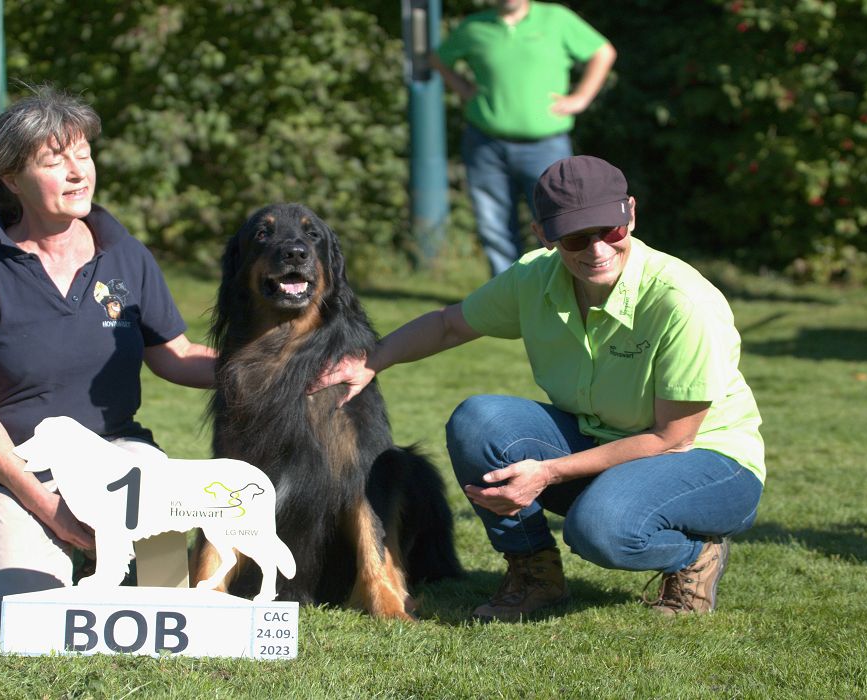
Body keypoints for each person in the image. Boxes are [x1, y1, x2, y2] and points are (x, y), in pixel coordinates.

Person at [315, 156, 765, 620]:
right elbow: (450, 325)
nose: (597, 249)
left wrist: (548, 472)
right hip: (605, 437)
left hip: (708, 461)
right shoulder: (535, 277)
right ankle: (534, 576)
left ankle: (693, 555)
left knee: (602, 531)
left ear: (630, 212)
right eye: (575, 237)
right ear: (543, 235)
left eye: (610, 229)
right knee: (479, 422)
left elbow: (673, 438)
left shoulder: (683, 302)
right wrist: (371, 360)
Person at [0, 87, 216, 624]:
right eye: (54, 160)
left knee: (172, 598)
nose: (77, 172)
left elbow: (176, 355)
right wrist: (54, 513)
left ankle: (126, 558)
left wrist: (276, 371)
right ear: (9, 180)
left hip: (117, 458)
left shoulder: (126, 255)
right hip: (16, 470)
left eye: (83, 154)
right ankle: (53, 547)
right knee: (31, 616)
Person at [430, 0, 616, 277]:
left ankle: (566, 286)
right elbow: (438, 59)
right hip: (485, 143)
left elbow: (603, 52)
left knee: (562, 221)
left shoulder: (556, 18)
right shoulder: (474, 27)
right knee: (494, 227)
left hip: (546, 145)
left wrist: (581, 98)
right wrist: (465, 90)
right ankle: (509, 296)